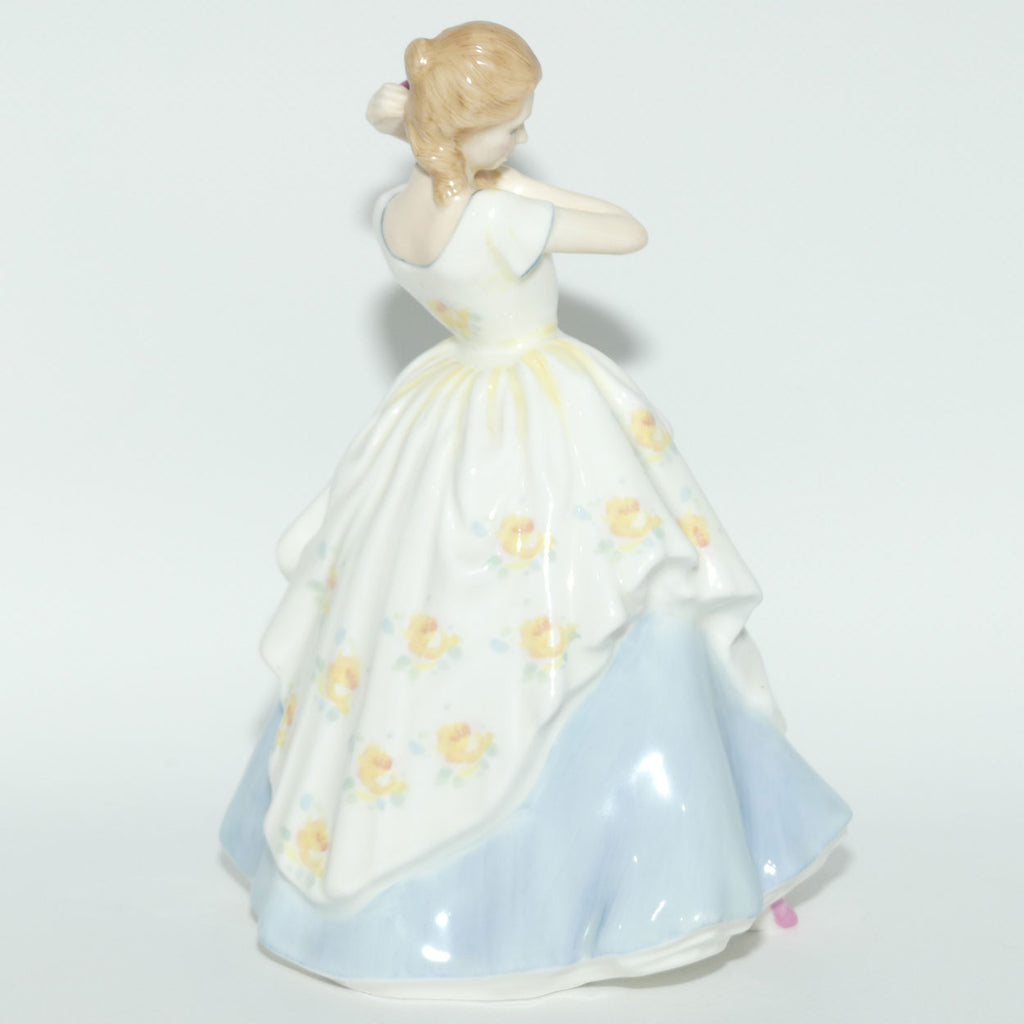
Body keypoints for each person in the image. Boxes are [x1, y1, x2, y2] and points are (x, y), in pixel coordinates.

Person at [220, 20, 850, 1000]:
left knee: (411, 609)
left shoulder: (393, 212)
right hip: (536, 404)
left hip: (448, 403)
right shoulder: (499, 217)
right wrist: (515, 187)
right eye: (510, 126)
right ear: (464, 132)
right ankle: (616, 878)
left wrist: (469, 164)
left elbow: (457, 193)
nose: (522, 139)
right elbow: (627, 228)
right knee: (615, 598)